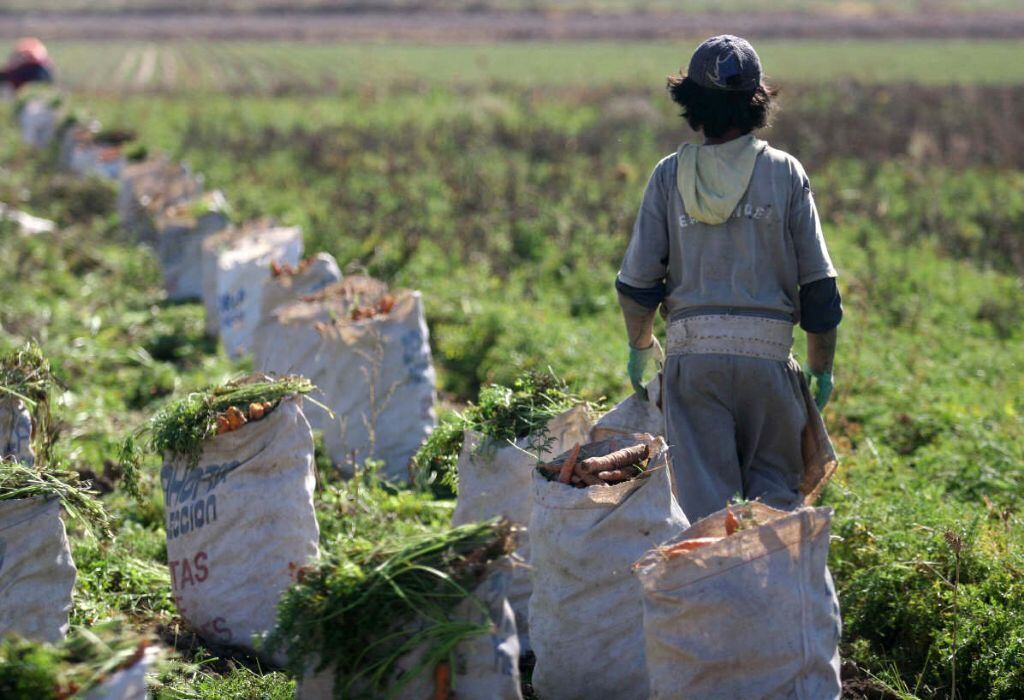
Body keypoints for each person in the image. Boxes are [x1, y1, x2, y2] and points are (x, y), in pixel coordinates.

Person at [616, 35, 842, 522]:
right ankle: (777, 592)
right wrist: (821, 366)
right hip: (768, 366)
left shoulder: (668, 176)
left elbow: (637, 285)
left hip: (695, 368)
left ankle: (714, 594)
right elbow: (820, 292)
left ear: (691, 104)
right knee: (775, 509)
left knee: (706, 515)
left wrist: (640, 345)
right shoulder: (785, 173)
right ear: (757, 102)